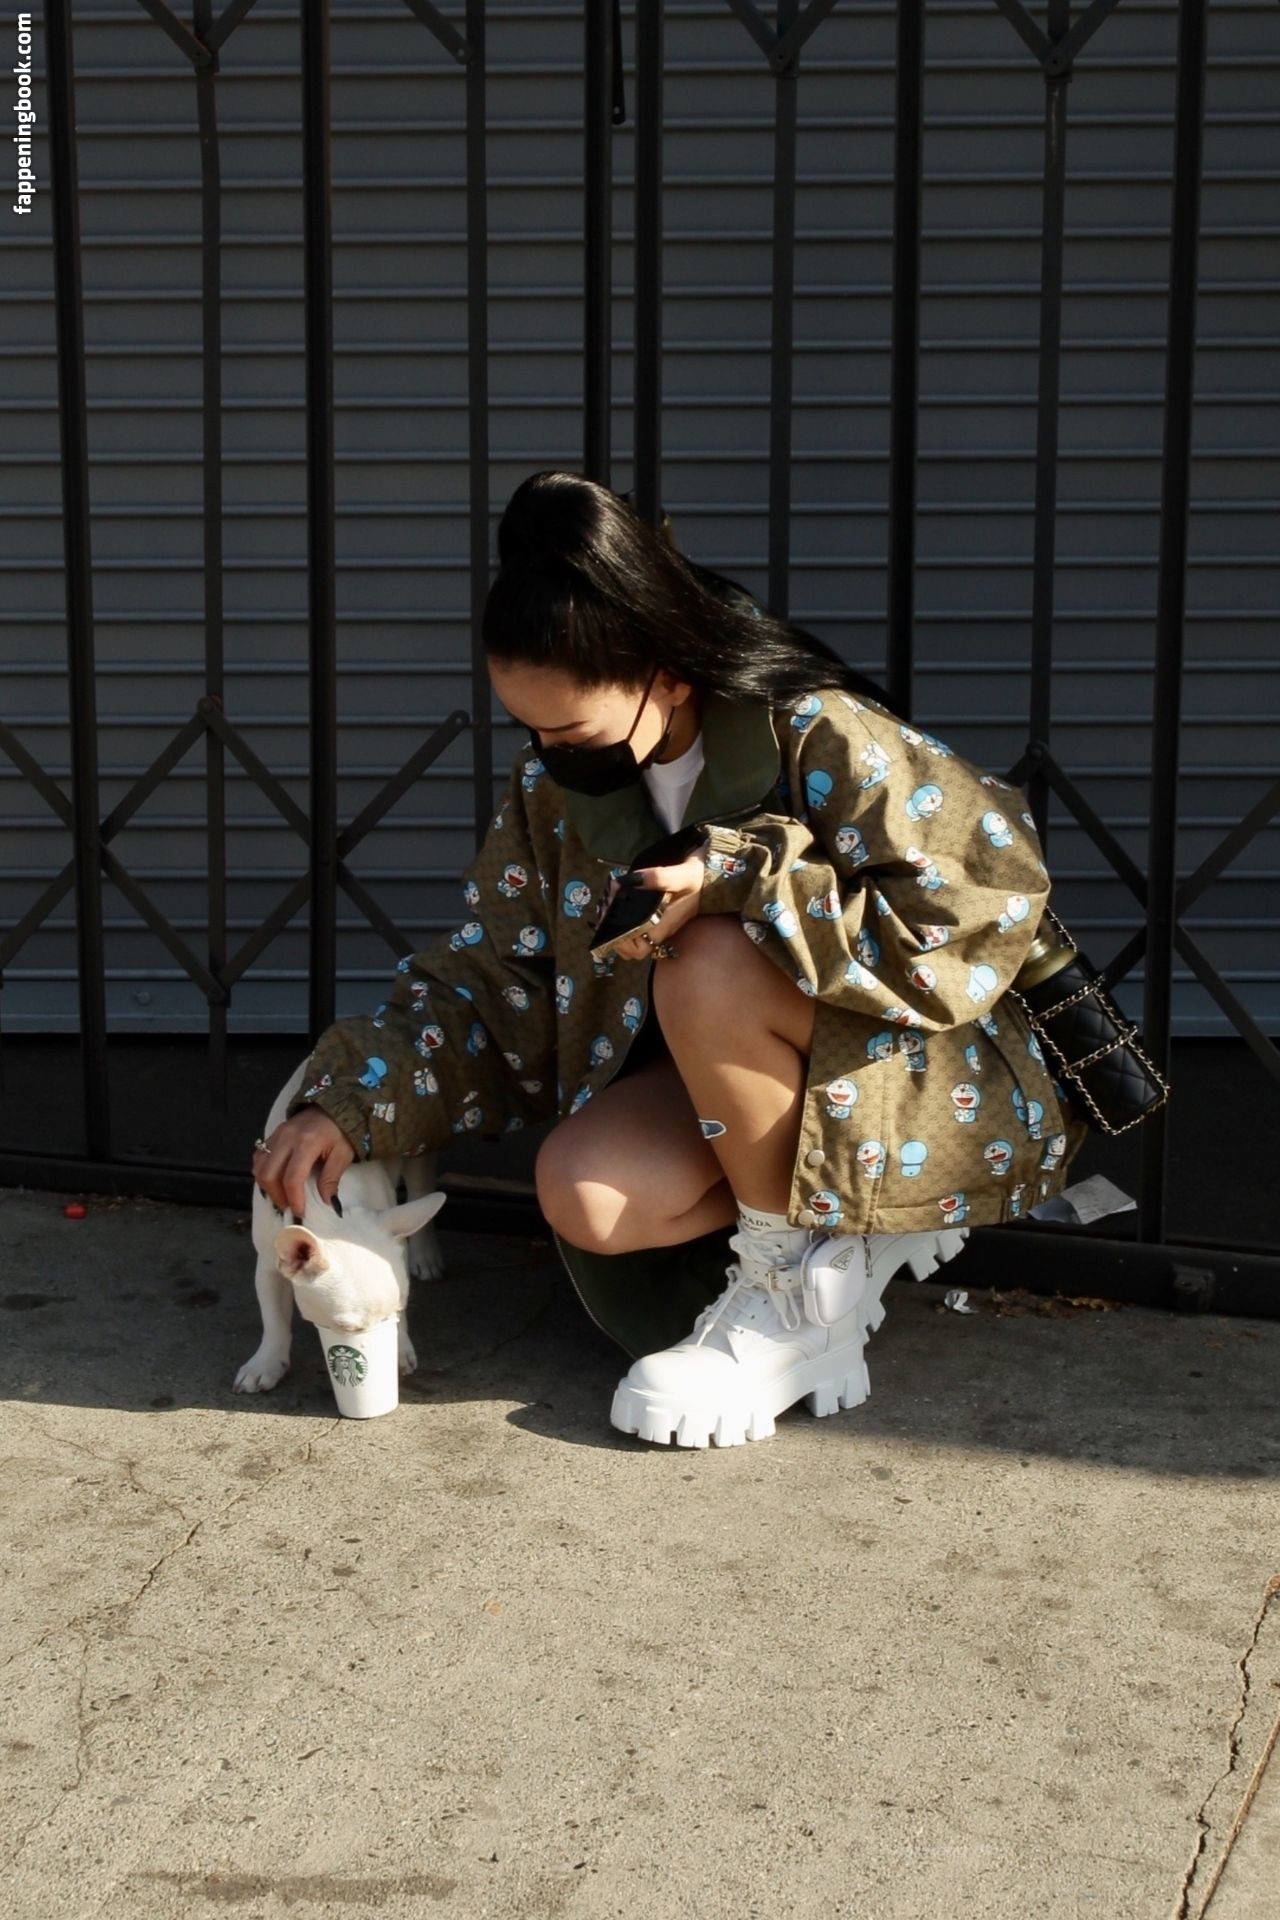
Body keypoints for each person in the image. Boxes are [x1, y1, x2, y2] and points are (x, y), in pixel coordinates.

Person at [253, 468, 1089, 1449]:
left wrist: (745, 878)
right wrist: (355, 1102)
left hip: (903, 1072)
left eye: (571, 731)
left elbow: (977, 902)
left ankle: (794, 1296)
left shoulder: (816, 729)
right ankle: (837, 1238)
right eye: (532, 730)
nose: (549, 753)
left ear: (669, 674)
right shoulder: (556, 789)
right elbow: (497, 979)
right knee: (584, 1194)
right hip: (729, 1079)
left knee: (706, 955)